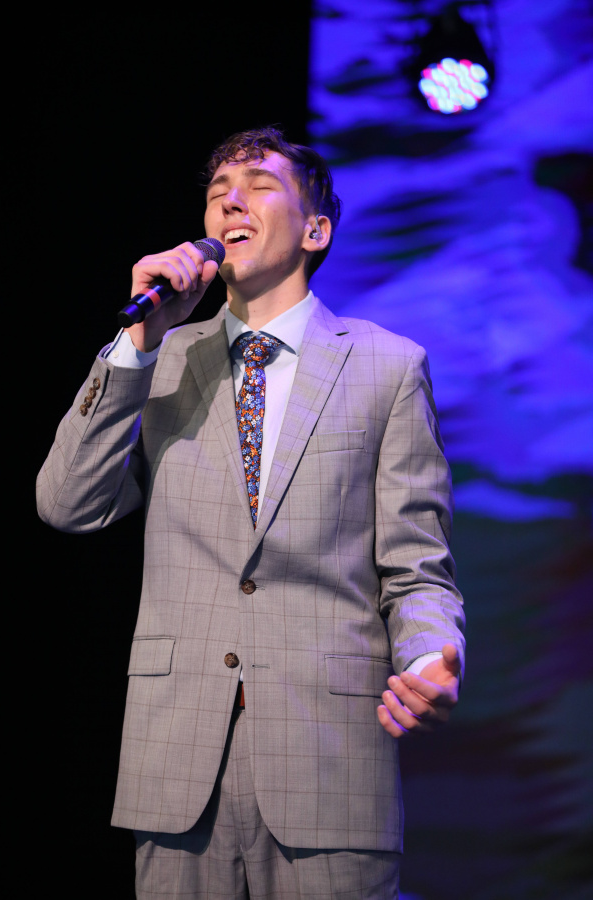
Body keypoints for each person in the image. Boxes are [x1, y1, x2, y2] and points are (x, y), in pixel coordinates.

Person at [37, 126, 465, 899]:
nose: (231, 201)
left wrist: (430, 654)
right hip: (176, 759)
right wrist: (137, 343)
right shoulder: (161, 359)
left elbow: (416, 565)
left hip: (329, 761)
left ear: (315, 230)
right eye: (217, 193)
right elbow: (68, 503)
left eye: (259, 186)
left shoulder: (388, 367)